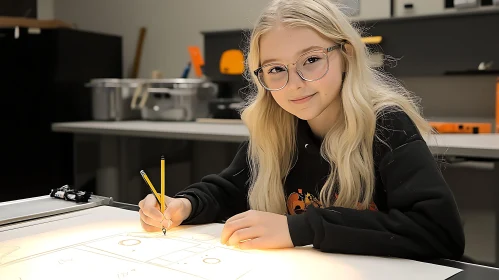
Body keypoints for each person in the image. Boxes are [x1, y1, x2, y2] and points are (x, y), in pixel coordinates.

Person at [138, 0, 465, 261]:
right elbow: (227, 190)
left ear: (345, 55)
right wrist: (184, 205)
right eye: (276, 69)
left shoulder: (386, 125)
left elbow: (439, 232)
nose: (294, 84)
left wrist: (299, 230)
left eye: (310, 60)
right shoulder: (277, 127)